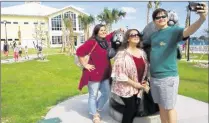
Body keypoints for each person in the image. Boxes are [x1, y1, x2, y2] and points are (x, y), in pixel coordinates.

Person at [143, 4, 208, 123]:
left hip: (168, 78)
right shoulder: (153, 36)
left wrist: (201, 19)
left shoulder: (174, 31)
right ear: (154, 21)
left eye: (163, 16)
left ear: (167, 18)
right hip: (154, 78)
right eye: (158, 17)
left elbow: (189, 30)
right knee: (161, 107)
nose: (161, 18)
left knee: (169, 108)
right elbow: (139, 42)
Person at [76, 24, 122, 123]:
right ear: (96, 32)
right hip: (94, 74)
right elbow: (79, 51)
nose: (104, 32)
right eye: (101, 30)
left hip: (105, 74)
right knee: (93, 95)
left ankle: (95, 107)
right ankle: (95, 115)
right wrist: (85, 65)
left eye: (105, 30)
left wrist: (119, 29)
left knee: (106, 93)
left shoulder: (106, 41)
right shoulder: (92, 42)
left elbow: (111, 34)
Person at [111, 29, 149, 123]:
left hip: (138, 86)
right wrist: (135, 84)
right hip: (125, 86)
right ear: (127, 38)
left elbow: (145, 68)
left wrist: (145, 80)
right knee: (131, 108)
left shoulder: (142, 53)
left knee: (134, 108)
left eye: (138, 34)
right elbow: (118, 74)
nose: (136, 36)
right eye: (133, 35)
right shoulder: (122, 54)